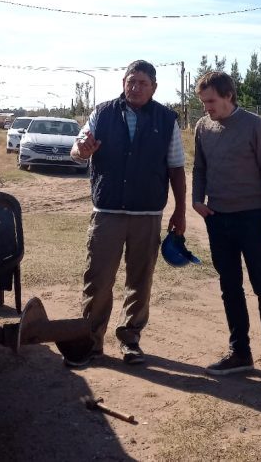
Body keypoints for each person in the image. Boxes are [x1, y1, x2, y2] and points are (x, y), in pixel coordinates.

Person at [68, 60, 187, 367]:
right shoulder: (102, 113)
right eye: (131, 82)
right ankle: (91, 341)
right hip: (107, 212)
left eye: (142, 83)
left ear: (154, 88)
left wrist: (180, 211)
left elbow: (176, 168)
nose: (135, 88)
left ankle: (130, 339)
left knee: (140, 280)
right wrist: (82, 150)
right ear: (123, 83)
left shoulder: (167, 119)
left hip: (147, 214)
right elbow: (77, 148)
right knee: (97, 279)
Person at [192, 71, 261, 381]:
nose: (207, 108)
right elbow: (199, 168)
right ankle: (240, 352)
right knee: (230, 287)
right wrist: (198, 199)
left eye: (211, 101)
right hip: (217, 219)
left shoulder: (255, 125)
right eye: (203, 102)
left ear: (228, 96)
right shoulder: (203, 128)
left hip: (252, 219)